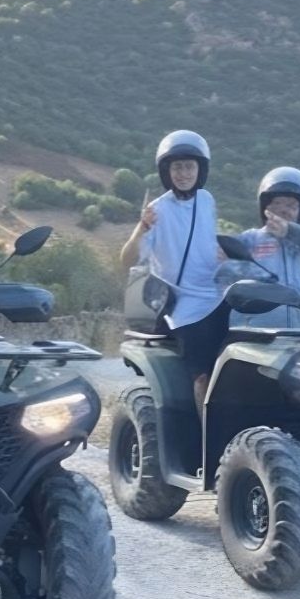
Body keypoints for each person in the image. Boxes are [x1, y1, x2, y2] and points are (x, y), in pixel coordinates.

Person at [119, 130, 227, 403]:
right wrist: (141, 228)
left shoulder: (207, 200)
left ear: (200, 169)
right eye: (176, 167)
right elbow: (128, 260)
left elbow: (203, 242)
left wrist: (222, 256)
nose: (183, 173)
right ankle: (205, 439)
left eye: (189, 166)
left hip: (217, 294)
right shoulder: (157, 210)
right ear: (166, 171)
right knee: (203, 374)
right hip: (183, 305)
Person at [223, 167, 300, 329]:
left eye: (291, 206)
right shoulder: (250, 239)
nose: (284, 210)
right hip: (257, 322)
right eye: (277, 203)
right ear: (265, 208)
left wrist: (290, 232)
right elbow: (223, 270)